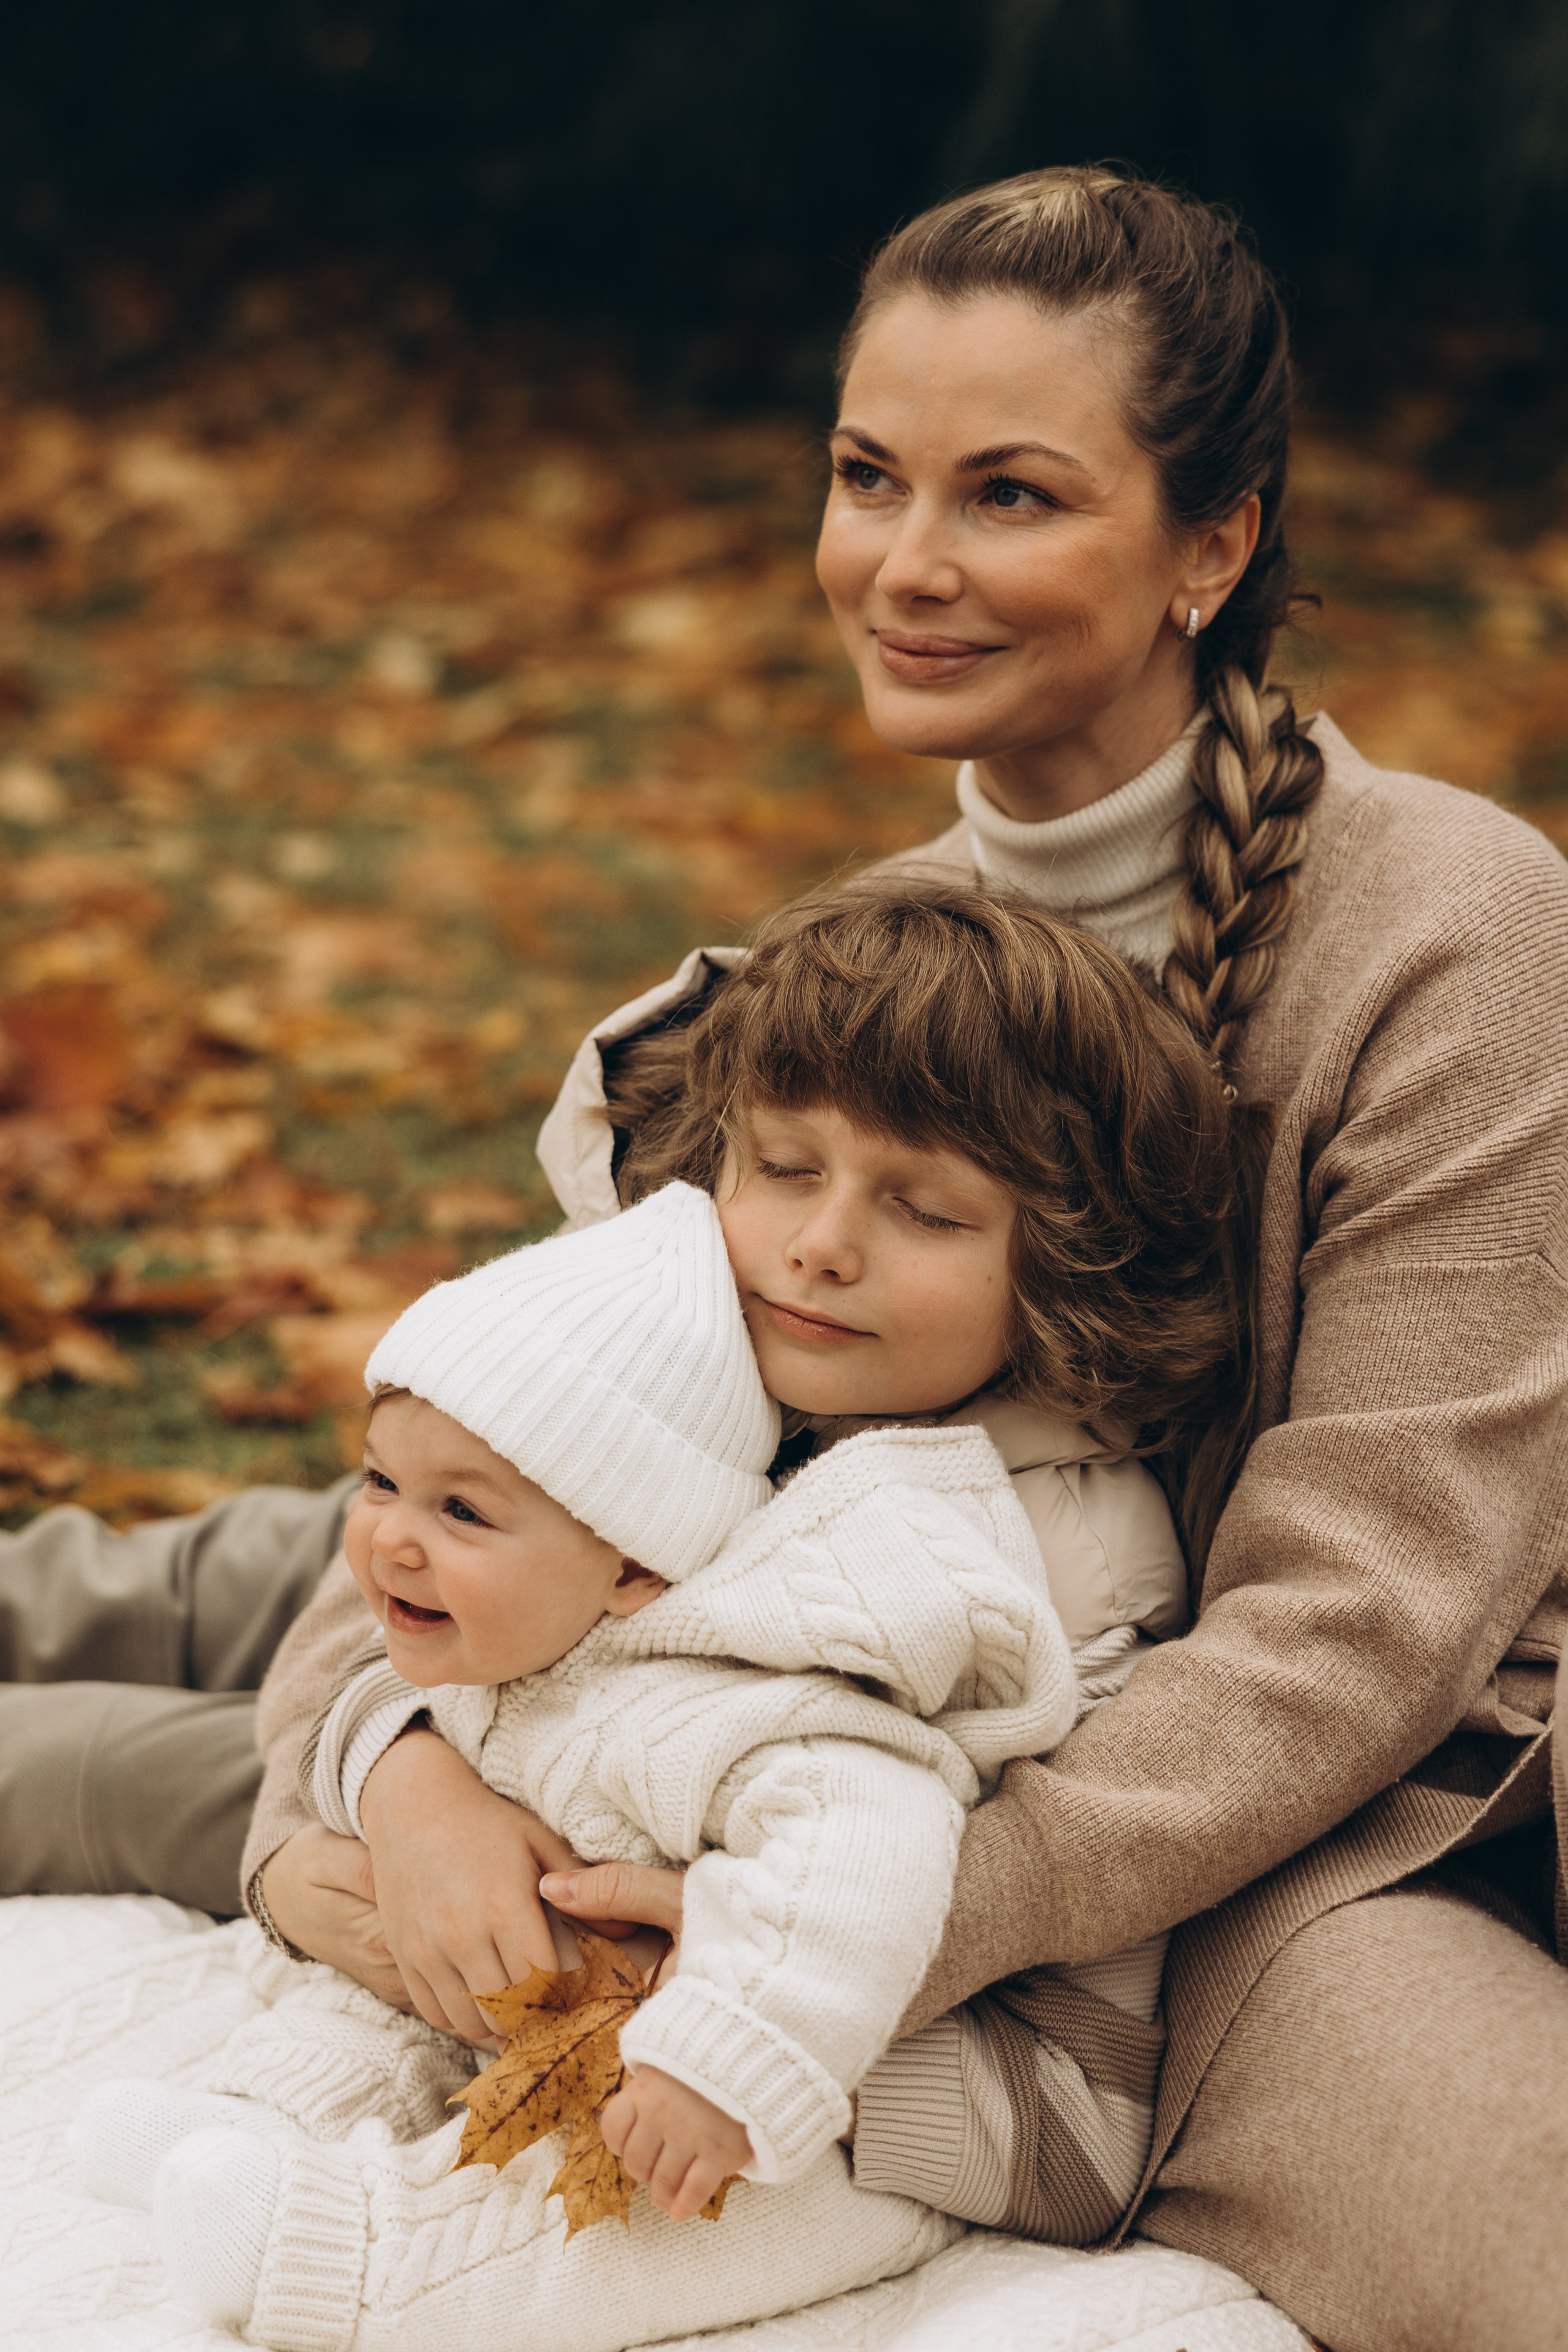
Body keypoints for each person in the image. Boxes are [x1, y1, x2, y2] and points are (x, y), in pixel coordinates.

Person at [2, 162, 1565, 2352]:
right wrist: (408, 1792)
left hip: (1204, 1800)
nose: (907, 568)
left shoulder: (1455, 943)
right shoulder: (855, 981)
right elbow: (486, 1490)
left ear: (1213, 546)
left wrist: (873, 1930)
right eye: (866, 477)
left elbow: (1356, 1629)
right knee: (268, 1591)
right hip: (747, 1655)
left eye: (1011, 496)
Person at [68, 880, 1245, 2347]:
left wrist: (730, 2026)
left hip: (948, 2072)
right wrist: (402, 1783)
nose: (820, 1244)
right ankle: (256, 2120)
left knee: (687, 2190)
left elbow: (899, 1849)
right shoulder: (708, 1392)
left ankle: (370, 2263)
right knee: (369, 1972)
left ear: (1066, 1264)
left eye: (925, 1210)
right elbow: (407, 1629)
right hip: (632, 1966)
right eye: (781, 1168)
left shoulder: (1037, 1554)